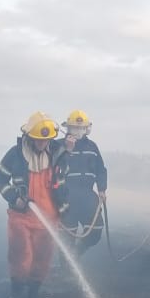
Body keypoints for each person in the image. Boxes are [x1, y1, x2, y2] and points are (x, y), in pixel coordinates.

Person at [0, 111, 64, 298]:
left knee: (42, 260)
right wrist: (14, 198)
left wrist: (64, 209)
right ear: (29, 137)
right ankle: (16, 295)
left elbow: (63, 181)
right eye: (38, 140)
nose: (43, 144)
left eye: (46, 140)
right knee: (21, 257)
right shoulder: (15, 154)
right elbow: (0, 178)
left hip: (49, 219)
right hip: (21, 216)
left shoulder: (56, 153)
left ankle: (33, 296)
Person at [52, 109, 108, 257]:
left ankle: (79, 249)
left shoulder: (92, 147)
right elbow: (53, 166)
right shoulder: (58, 145)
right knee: (66, 237)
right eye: (74, 128)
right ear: (68, 128)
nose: (77, 131)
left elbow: (101, 170)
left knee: (96, 230)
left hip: (88, 195)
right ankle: (66, 269)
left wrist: (102, 189)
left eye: (81, 128)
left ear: (87, 129)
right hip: (66, 197)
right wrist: (66, 149)